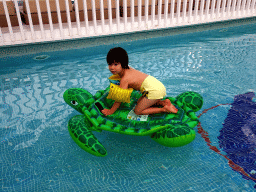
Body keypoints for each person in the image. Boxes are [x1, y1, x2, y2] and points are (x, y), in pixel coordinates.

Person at [102, 47, 178, 116]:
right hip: (156, 85)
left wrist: (110, 111)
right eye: (110, 64)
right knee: (139, 102)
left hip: (154, 91)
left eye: (116, 64)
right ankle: (163, 102)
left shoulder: (125, 79)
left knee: (137, 111)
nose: (112, 68)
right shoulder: (128, 68)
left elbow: (119, 100)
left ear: (123, 63)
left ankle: (164, 109)